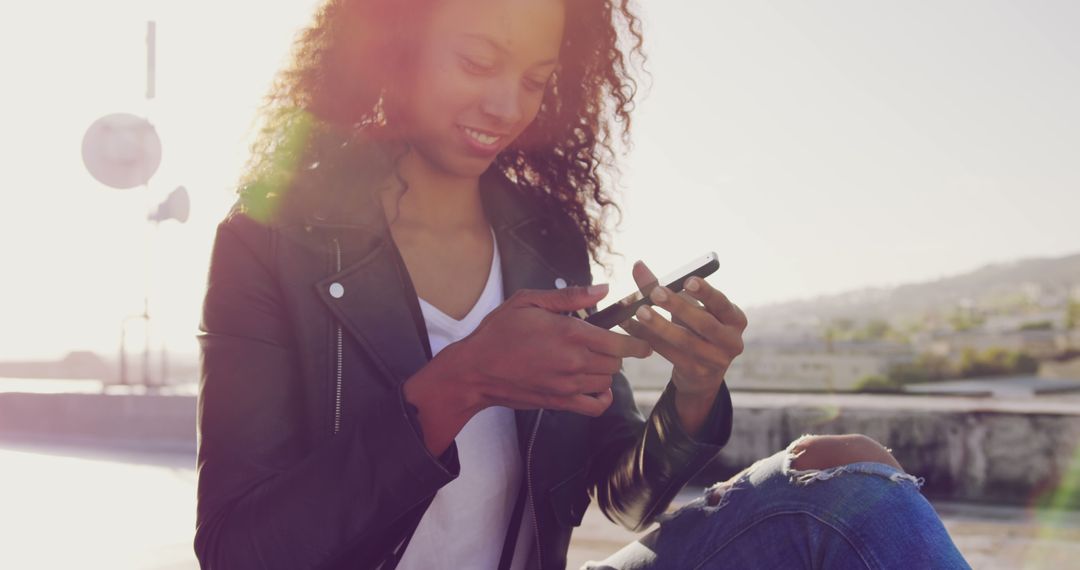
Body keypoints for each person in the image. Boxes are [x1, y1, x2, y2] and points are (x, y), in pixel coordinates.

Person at [194, 0, 971, 568]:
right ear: (392, 37)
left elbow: (620, 496)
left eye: (536, 80)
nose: (506, 107)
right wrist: (457, 385)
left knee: (848, 476)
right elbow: (237, 550)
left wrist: (694, 391)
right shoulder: (269, 246)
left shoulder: (542, 239)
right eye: (477, 62)